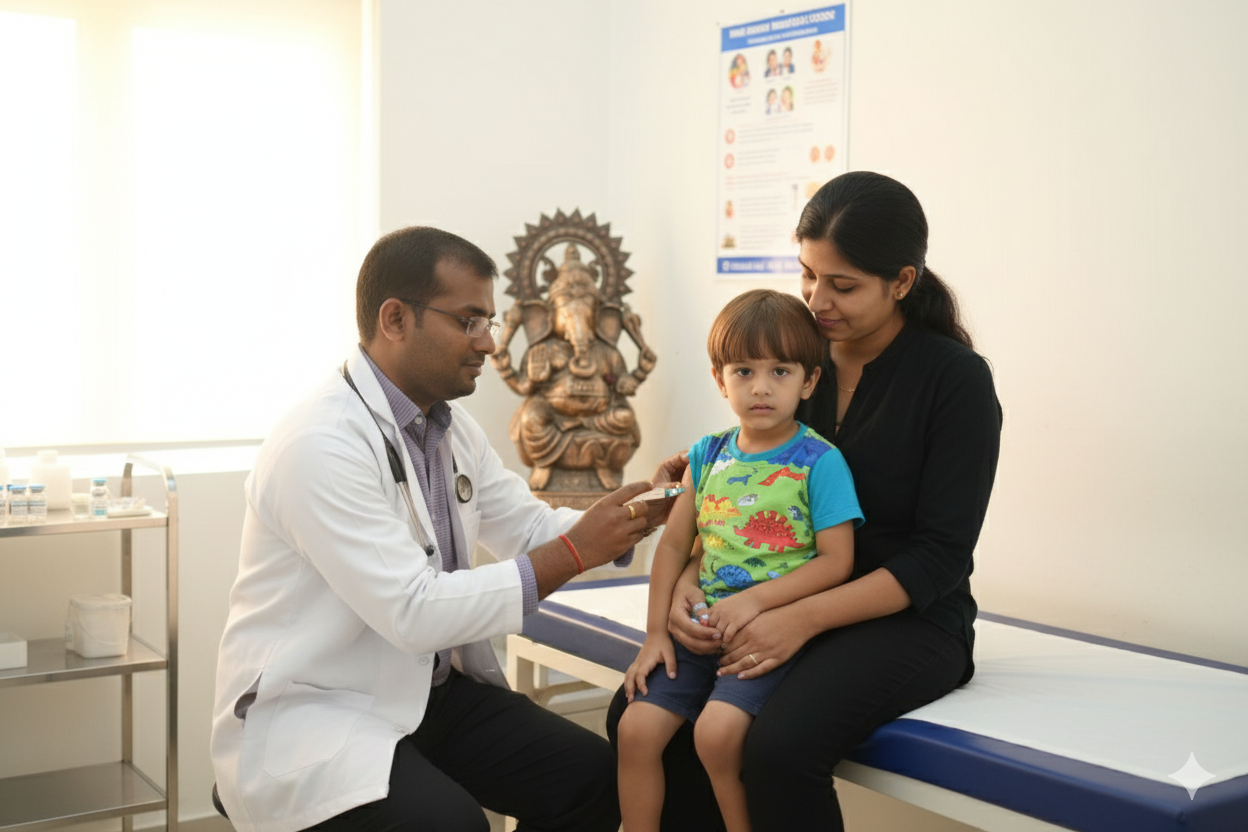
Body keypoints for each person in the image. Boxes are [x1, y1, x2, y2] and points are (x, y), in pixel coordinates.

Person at [211, 226, 684, 832]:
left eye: (490, 320)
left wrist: (644, 513)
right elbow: (413, 610)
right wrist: (574, 552)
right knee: (453, 825)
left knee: (594, 779)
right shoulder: (320, 445)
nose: (488, 342)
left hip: (426, 694)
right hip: (318, 706)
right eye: (468, 321)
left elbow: (527, 524)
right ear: (394, 319)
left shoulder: (450, 429)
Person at [606, 171, 1002, 831]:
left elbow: (939, 558)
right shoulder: (794, 358)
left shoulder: (953, 381)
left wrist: (800, 619)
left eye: (842, 285)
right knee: (639, 714)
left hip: (907, 619)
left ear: (902, 281)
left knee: (779, 747)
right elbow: (742, 488)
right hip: (779, 593)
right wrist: (681, 581)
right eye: (808, 275)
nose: (818, 299)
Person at [616, 289, 863, 832]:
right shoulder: (706, 455)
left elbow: (835, 562)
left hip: (765, 636)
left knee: (716, 735)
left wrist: (752, 602)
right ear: (719, 378)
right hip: (696, 633)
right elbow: (676, 546)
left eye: (780, 371)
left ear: (810, 381)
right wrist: (655, 634)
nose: (761, 387)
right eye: (744, 370)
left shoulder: (820, 462)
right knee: (634, 732)